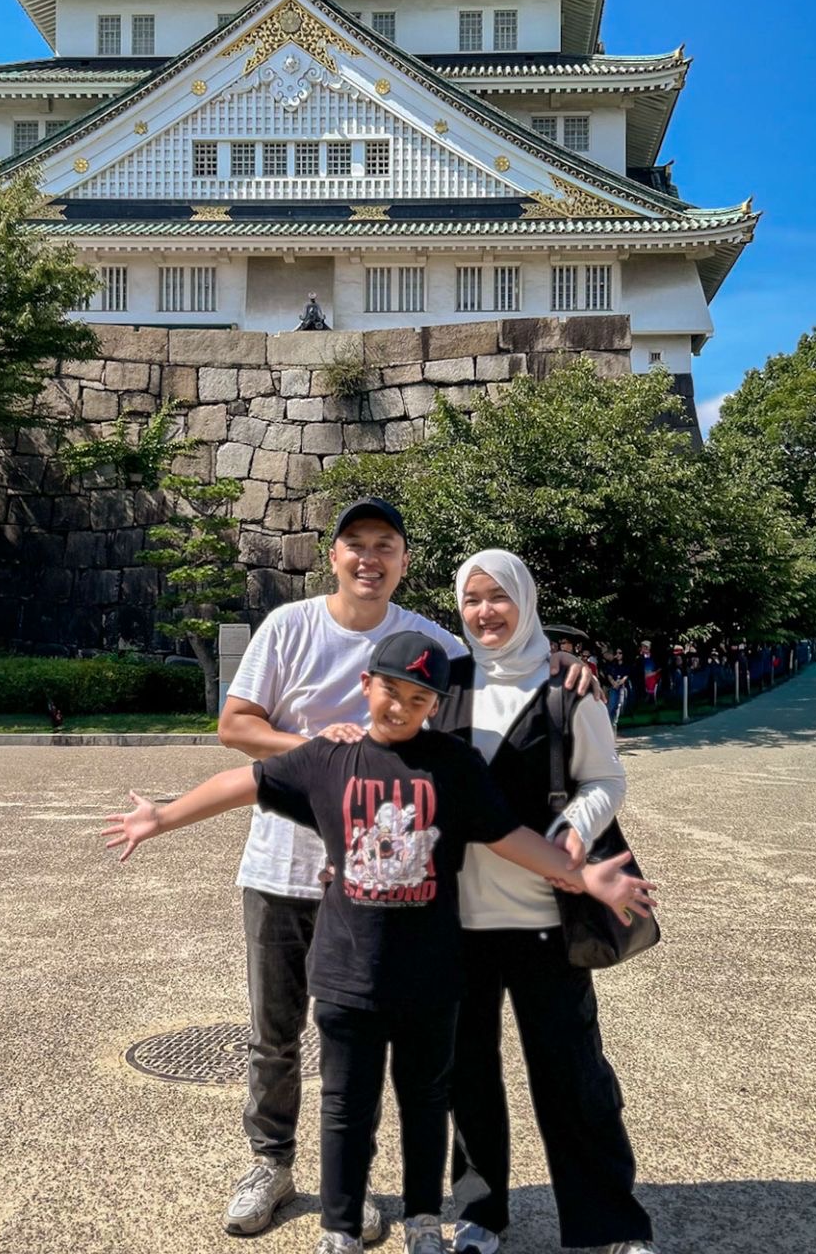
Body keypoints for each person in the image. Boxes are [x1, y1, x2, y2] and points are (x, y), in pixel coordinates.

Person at [102, 631, 656, 1254]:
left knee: (428, 1104)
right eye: (390, 690)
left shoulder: (453, 765)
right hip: (348, 976)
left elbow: (508, 837)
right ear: (366, 686)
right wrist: (162, 816)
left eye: (419, 698)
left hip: (431, 976)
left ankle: (424, 1221)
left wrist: (584, 876)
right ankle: (339, 1229)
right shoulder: (329, 759)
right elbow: (247, 782)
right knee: (345, 1106)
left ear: (435, 705)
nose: (400, 707)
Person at [216, 498, 598, 1240]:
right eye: (355, 544)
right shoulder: (289, 626)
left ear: (404, 561)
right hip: (283, 863)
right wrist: (324, 750)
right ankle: (270, 1162)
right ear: (332, 556)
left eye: (384, 545)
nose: (369, 558)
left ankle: (352, 1185)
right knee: (275, 1031)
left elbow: (497, 662)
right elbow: (235, 726)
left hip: (386, 879)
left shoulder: (429, 639)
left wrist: (564, 665)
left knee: (367, 1046)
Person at [432, 551, 658, 1254]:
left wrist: (575, 830)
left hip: (545, 918)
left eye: (498, 596)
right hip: (459, 920)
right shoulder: (445, 684)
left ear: (525, 601)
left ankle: (610, 1224)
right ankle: (480, 1213)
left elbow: (605, 779)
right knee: (467, 1075)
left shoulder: (567, 687)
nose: (485, 612)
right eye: (472, 599)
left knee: (573, 1076)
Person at [603, 648, 632, 731]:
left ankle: (615, 723)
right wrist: (613, 683)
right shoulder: (612, 663)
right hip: (614, 686)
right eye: (616, 653)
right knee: (612, 705)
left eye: (620, 653)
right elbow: (608, 674)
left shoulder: (626, 664)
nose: (618, 655)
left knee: (620, 705)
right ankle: (609, 724)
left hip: (623, 687)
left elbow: (626, 675)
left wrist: (620, 682)